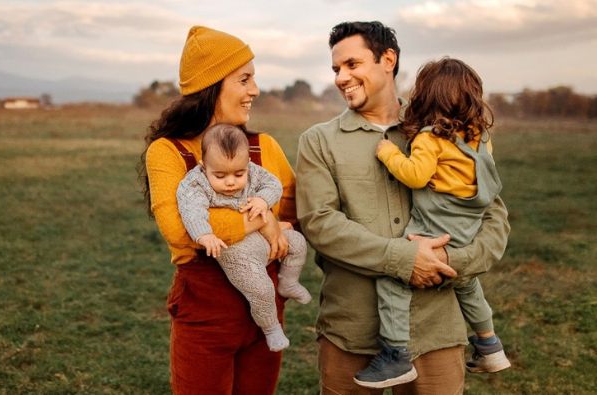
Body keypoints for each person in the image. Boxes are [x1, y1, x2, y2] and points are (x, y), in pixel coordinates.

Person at [295, 21, 511, 394]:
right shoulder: (318, 141)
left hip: (436, 330)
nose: (341, 78)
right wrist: (404, 258)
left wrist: (447, 261)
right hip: (351, 329)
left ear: (388, 59)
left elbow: (492, 216)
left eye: (352, 64)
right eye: (335, 69)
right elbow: (320, 225)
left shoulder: (447, 128)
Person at [139, 25, 298, 394]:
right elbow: (180, 230)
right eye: (244, 79)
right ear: (211, 87)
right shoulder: (168, 152)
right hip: (204, 314)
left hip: (265, 315)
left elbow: (301, 216)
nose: (254, 90)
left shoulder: (264, 147)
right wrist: (264, 220)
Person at [352, 57, 511, 389]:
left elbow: (415, 175)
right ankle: (489, 343)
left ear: (425, 97)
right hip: (467, 229)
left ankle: (396, 356)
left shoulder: (430, 138)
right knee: (467, 284)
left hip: (434, 228)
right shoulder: (479, 137)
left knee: (392, 281)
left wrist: (387, 153)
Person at [176, 123, 311, 352]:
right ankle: (271, 328)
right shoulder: (195, 183)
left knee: (297, 242)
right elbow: (191, 209)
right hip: (235, 250)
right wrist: (204, 234)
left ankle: (289, 282)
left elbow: (273, 184)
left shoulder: (252, 171)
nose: (230, 182)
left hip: (262, 236)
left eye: (239, 174)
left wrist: (263, 200)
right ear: (203, 165)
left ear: (247, 164)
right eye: (219, 175)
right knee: (260, 288)